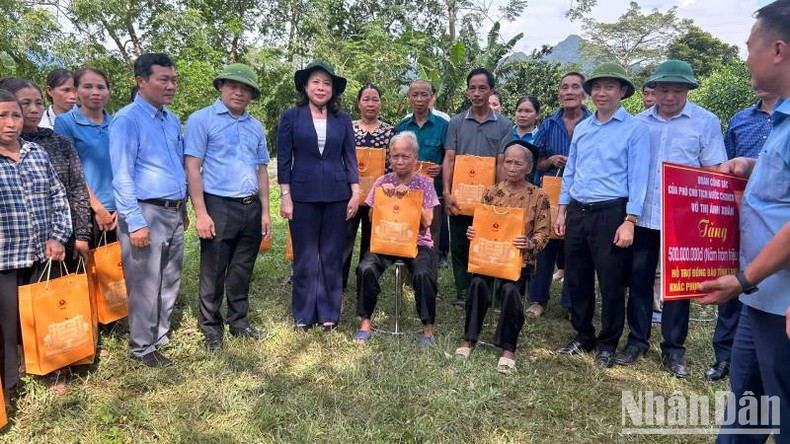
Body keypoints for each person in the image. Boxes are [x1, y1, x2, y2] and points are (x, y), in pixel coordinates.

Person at [699, 2, 790, 441]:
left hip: (780, 302)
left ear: (777, 50)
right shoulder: (781, 120)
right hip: (760, 299)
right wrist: (752, 167)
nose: (745, 57)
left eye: (748, 47)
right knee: (747, 409)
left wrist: (742, 277)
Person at [614, 60, 727, 377]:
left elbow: (714, 172)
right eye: (663, 89)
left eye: (678, 90)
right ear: (654, 90)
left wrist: (708, 219)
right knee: (638, 279)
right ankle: (637, 341)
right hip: (642, 215)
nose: (670, 96)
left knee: (677, 286)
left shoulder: (705, 122)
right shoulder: (638, 124)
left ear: (688, 90)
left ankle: (674, 350)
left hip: (682, 220)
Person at [554, 62, 650, 368]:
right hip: (578, 212)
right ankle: (584, 334)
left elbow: (639, 178)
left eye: (610, 87)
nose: (602, 93)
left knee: (610, 282)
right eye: (596, 87)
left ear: (622, 91)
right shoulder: (583, 127)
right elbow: (570, 171)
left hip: (611, 212)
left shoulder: (635, 129)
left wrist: (630, 220)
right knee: (577, 278)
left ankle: (608, 342)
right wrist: (562, 209)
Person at [185, 63, 271, 351]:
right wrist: (201, 213)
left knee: (242, 268)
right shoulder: (202, 120)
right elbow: (193, 168)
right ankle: (210, 327)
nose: (239, 92)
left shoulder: (255, 126)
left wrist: (265, 211)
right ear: (220, 86)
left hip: (250, 206)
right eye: (233, 86)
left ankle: (239, 321)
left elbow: (261, 170)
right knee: (214, 268)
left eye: (245, 89)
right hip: (218, 204)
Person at [110, 53, 187, 368]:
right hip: (145, 212)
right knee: (144, 281)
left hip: (173, 210)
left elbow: (178, 166)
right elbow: (122, 175)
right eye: (163, 80)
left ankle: (159, 335)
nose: (171, 86)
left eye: (174, 80)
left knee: (170, 277)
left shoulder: (170, 118)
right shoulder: (127, 119)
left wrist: (183, 208)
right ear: (141, 81)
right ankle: (142, 346)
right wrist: (136, 222)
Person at [277, 60, 359, 332]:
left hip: (337, 193)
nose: (321, 87)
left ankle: (328, 313)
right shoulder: (291, 116)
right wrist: (285, 196)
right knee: (306, 255)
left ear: (333, 89)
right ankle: (303, 313)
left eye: (326, 83)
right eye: (316, 82)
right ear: (305, 86)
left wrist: (355, 192)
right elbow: (283, 160)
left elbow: (350, 158)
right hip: (302, 194)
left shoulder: (343, 119)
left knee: (331, 254)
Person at [455, 140, 550, 373]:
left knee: (510, 291)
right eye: (507, 161)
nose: (512, 167)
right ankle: (469, 339)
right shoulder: (491, 192)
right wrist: (473, 232)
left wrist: (529, 243)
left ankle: (508, 348)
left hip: (518, 260)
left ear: (529, 167)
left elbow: (544, 232)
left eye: (518, 163)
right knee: (477, 284)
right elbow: (481, 224)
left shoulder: (538, 196)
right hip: (489, 258)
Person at [704, 87, 778, 381]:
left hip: (775, 218)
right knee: (731, 277)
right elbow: (725, 164)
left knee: (769, 281)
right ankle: (724, 356)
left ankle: (763, 357)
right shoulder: (740, 119)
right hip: (736, 210)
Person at [0, 89, 71, 390]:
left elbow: (58, 196)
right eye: (2, 116)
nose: (11, 122)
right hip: (5, 257)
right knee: (7, 323)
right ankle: (10, 382)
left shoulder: (36, 153)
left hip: (43, 253)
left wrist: (58, 236)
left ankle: (51, 369)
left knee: (45, 313)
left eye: (15, 115)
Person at [353, 132, 440, 346]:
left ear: (415, 158)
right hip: (387, 240)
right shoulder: (382, 181)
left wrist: (411, 198)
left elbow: (427, 222)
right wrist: (385, 197)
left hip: (416, 242)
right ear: (389, 158)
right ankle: (365, 322)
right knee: (365, 268)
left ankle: (428, 327)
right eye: (395, 156)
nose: (399, 161)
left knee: (423, 273)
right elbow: (373, 219)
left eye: (405, 156)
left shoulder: (425, 183)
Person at [1, 78, 91, 271]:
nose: (34, 109)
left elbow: (75, 189)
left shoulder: (55, 143)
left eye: (38, 103)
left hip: (60, 241)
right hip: (12, 254)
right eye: (25, 103)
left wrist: (82, 235)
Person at [442, 68, 511, 307]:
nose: (477, 92)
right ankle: (463, 292)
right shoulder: (457, 122)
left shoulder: (504, 125)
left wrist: (499, 194)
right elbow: (449, 158)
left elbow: (502, 162)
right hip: (460, 197)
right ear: (467, 90)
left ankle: (485, 292)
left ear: (491, 90)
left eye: (482, 88)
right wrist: (447, 192)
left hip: (488, 198)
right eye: (472, 88)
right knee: (460, 245)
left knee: (487, 244)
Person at [527, 72, 592, 318]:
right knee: (545, 244)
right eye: (565, 87)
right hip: (551, 193)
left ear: (584, 93)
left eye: (575, 87)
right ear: (559, 94)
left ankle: (571, 303)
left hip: (582, 195)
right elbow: (536, 161)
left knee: (575, 249)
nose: (569, 91)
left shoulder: (594, 122)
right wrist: (551, 160)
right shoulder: (549, 124)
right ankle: (538, 300)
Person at [54, 68, 118, 247]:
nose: (95, 92)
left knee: (122, 271)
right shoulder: (66, 122)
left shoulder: (116, 123)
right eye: (88, 87)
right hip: (87, 211)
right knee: (93, 271)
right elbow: (69, 171)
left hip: (121, 210)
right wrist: (97, 207)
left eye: (101, 87)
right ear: (76, 91)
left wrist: (123, 206)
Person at [342, 84, 395, 291]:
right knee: (344, 241)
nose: (371, 104)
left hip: (378, 198)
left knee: (370, 243)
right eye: (366, 99)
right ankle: (339, 285)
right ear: (358, 103)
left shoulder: (389, 131)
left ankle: (365, 284)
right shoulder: (349, 128)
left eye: (375, 99)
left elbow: (392, 165)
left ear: (380, 103)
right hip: (350, 196)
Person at [396, 79, 448, 282]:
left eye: (424, 94)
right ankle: (409, 279)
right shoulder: (401, 126)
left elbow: (450, 157)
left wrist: (442, 167)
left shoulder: (443, 126)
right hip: (406, 192)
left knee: (431, 238)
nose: (419, 99)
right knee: (408, 233)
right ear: (409, 97)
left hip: (432, 193)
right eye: (415, 94)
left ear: (432, 97)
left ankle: (429, 281)